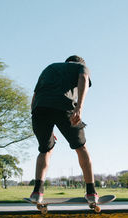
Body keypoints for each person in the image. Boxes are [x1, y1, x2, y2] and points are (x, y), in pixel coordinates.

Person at [29, 55, 98, 204]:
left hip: (39, 109)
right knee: (81, 147)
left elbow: (34, 97)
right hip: (64, 107)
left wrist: (45, 127)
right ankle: (91, 193)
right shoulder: (80, 67)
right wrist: (79, 108)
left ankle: (37, 192)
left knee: (45, 149)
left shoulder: (50, 67)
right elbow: (84, 79)